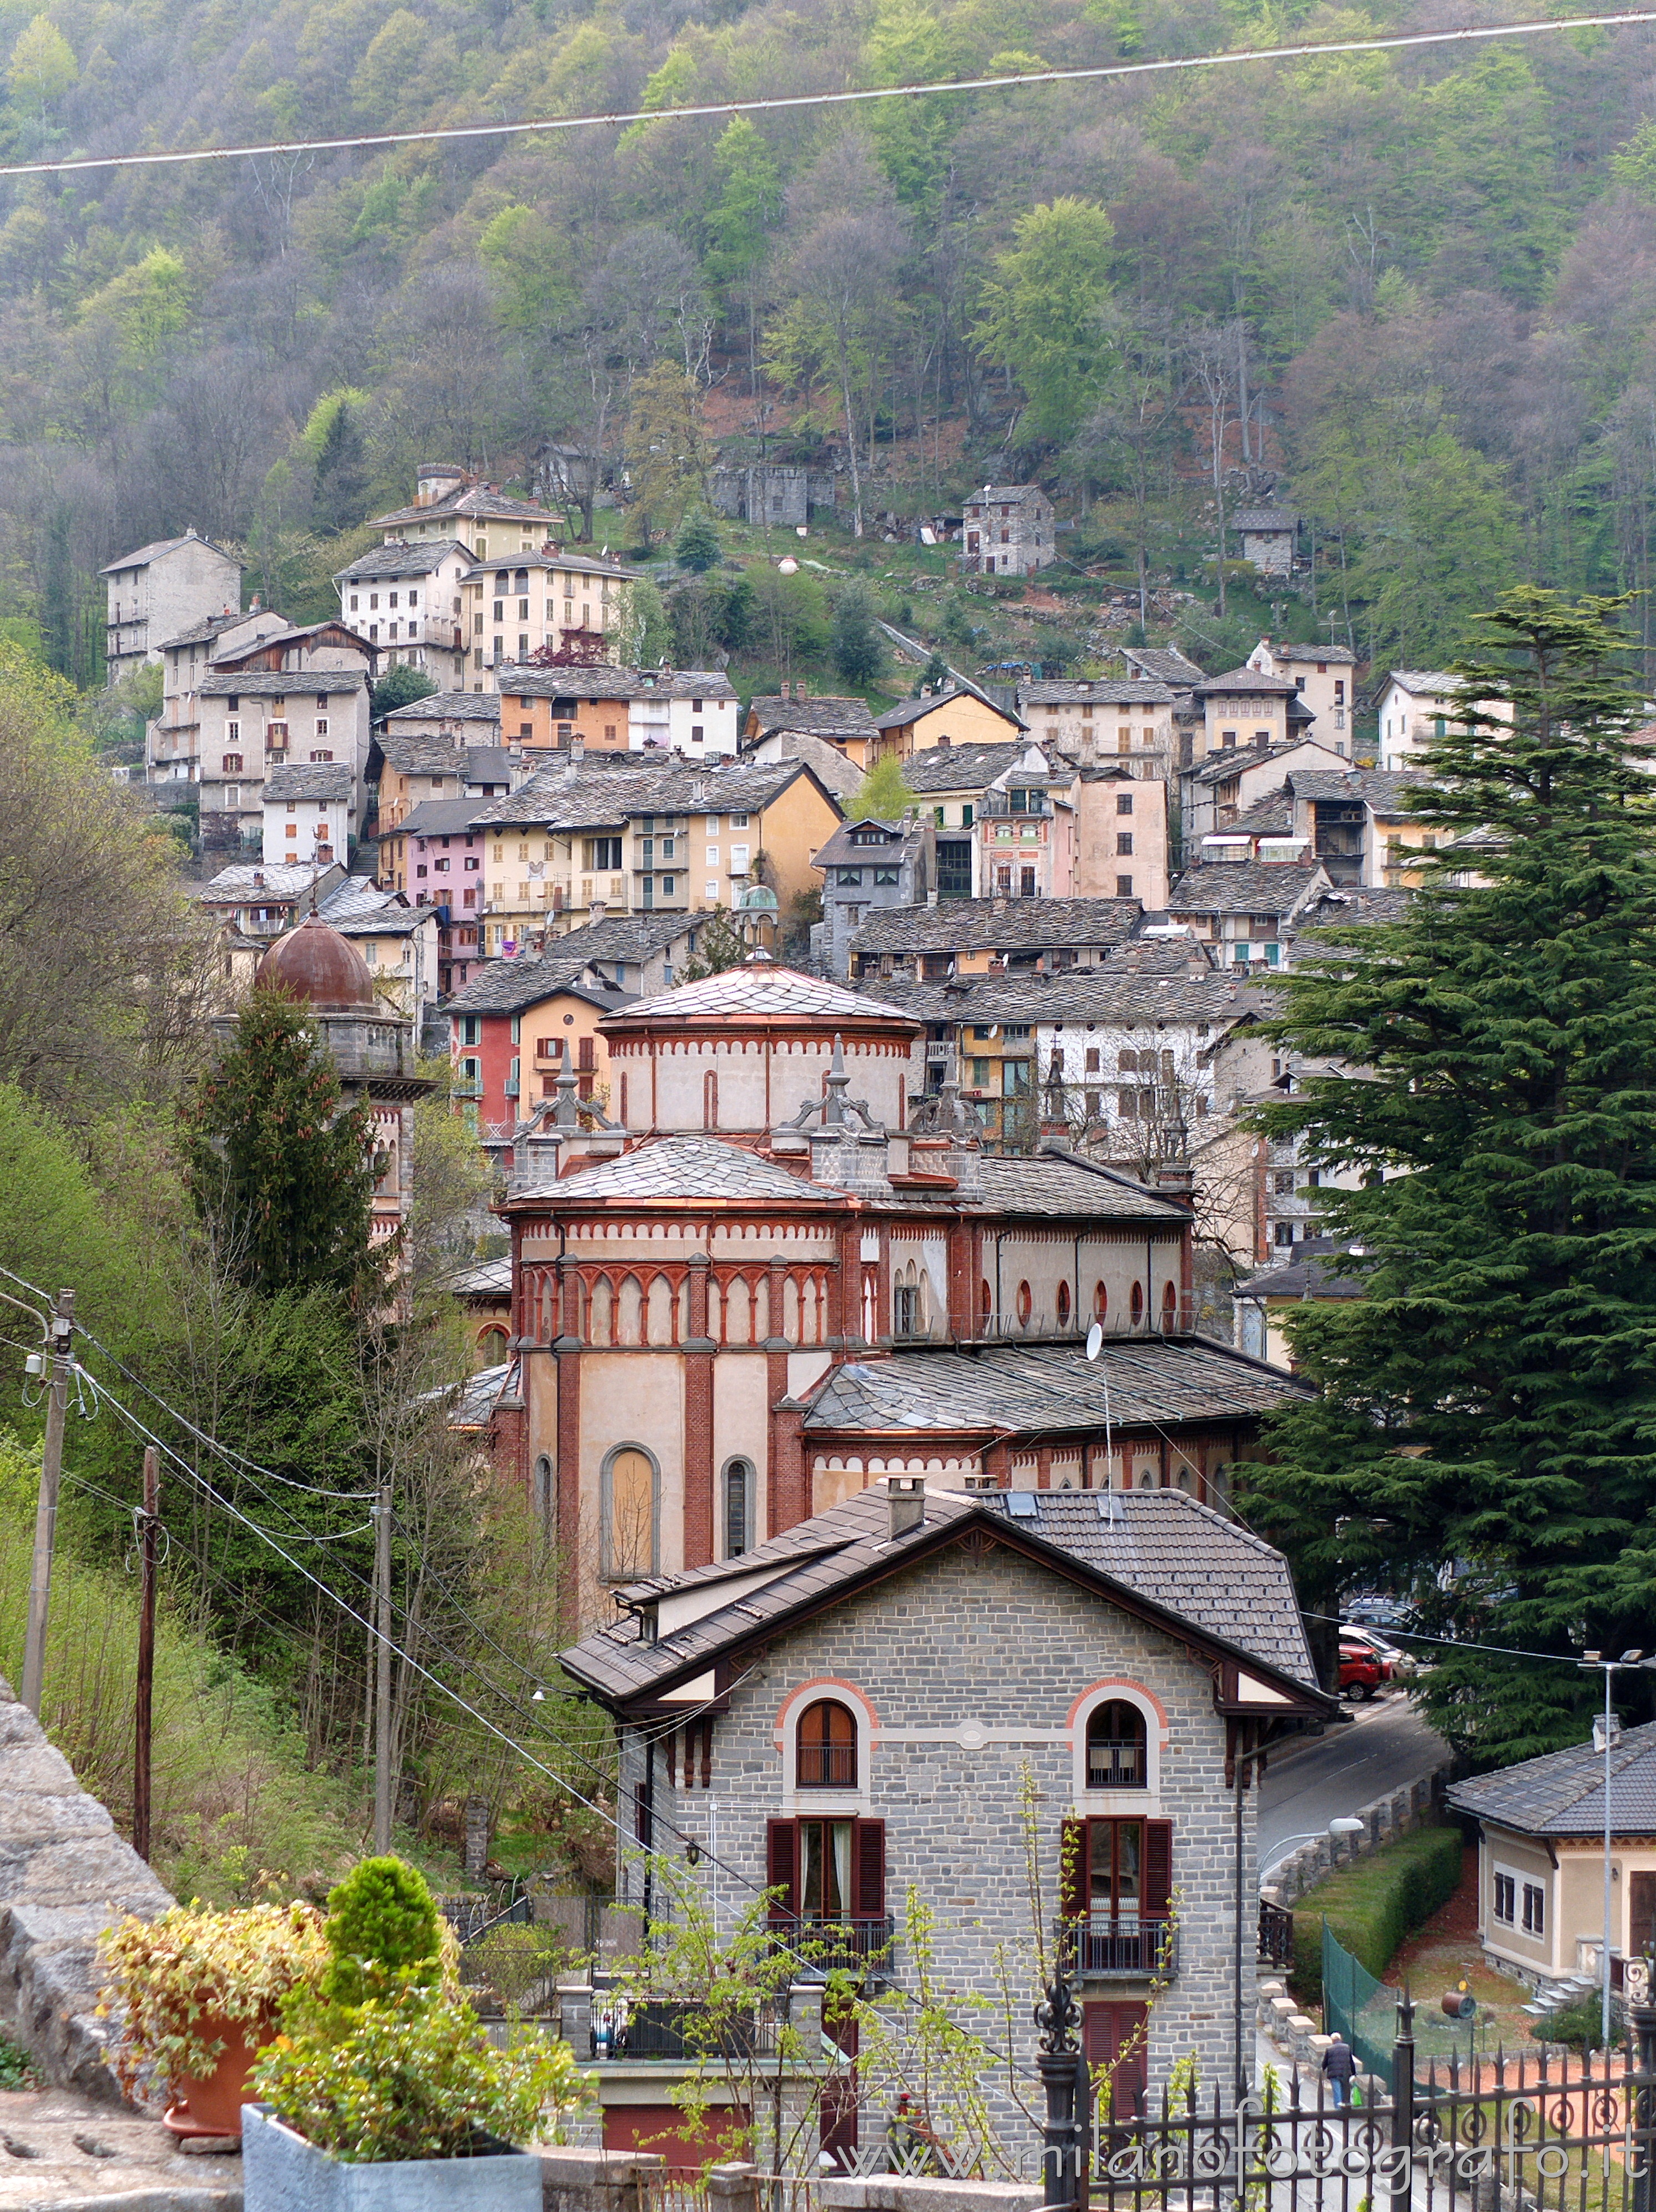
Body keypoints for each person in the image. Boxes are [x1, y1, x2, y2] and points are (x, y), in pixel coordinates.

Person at [1322, 2032, 1357, 2108]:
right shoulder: (1347, 2047)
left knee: (1337, 2092)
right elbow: (1351, 2062)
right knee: (1344, 2091)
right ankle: (1345, 2108)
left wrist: (1323, 2069)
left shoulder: (1329, 2049)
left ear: (1332, 2040)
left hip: (1334, 2074)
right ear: (1340, 2039)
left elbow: (1325, 2063)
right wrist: (1354, 2073)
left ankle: (1338, 2111)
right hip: (1345, 2074)